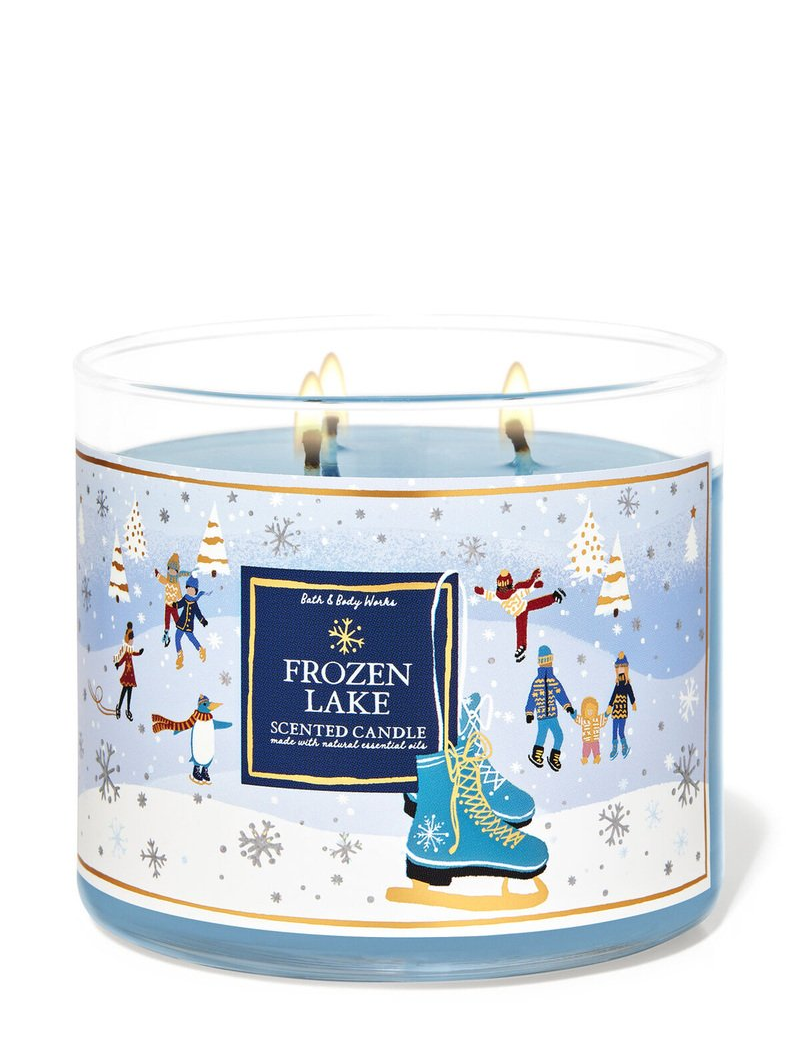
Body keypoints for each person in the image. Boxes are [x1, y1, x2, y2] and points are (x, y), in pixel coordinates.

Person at [475, 568, 566, 662]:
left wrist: (534, 586)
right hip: (518, 613)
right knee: (521, 629)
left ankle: (554, 596)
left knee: (536, 605)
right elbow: (489, 595)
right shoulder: (498, 597)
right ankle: (521, 647)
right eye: (501, 587)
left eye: (505, 586)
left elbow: (526, 590)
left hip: (524, 606)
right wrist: (482, 592)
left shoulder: (516, 592)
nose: (504, 589)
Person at [525, 645, 576, 771]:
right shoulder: (537, 682)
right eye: (544, 661)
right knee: (541, 737)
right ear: (540, 662)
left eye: (548, 660)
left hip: (552, 715)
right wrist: (529, 712)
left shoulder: (553, 680)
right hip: (542, 716)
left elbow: (560, 694)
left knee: (559, 736)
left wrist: (567, 706)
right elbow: (532, 698)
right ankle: (536, 756)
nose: (547, 663)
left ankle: (554, 757)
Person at [604, 652, 637, 759]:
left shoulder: (627, 684)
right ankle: (614, 748)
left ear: (626, 669)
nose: (620, 670)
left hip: (622, 710)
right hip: (615, 710)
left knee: (621, 731)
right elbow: (613, 696)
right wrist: (610, 706)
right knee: (614, 730)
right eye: (618, 668)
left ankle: (624, 745)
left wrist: (633, 702)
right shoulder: (617, 684)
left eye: (622, 667)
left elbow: (630, 693)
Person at [154, 553, 190, 647]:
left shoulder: (176, 583)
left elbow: (179, 593)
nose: (172, 571)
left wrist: (182, 601)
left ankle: (182, 627)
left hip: (174, 605)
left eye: (174, 570)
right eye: (170, 569)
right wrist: (157, 574)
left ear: (177, 571)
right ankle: (166, 632)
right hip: (167, 604)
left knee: (176, 618)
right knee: (167, 619)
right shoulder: (167, 581)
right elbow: (162, 579)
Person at [175, 575, 209, 670]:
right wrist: (174, 604)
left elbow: (198, 613)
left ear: (195, 591)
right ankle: (180, 656)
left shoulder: (194, 603)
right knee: (177, 638)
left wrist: (202, 620)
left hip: (188, 625)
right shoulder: (185, 598)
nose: (190, 590)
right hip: (181, 623)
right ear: (186, 588)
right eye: (189, 588)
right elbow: (180, 604)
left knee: (191, 638)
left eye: (192, 589)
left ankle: (201, 650)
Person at [114, 622, 143, 721]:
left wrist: (139, 653)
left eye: (132, 639)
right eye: (131, 639)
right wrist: (118, 664)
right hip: (127, 675)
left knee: (129, 692)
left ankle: (128, 709)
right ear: (128, 639)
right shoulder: (127, 651)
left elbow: (134, 653)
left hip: (130, 675)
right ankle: (119, 707)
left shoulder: (130, 650)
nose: (132, 640)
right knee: (124, 692)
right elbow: (122, 659)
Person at [575, 696, 607, 765]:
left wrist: (606, 714)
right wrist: (574, 716)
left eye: (592, 710)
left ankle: (597, 757)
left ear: (595, 710)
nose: (590, 712)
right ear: (584, 710)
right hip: (586, 740)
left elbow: (603, 718)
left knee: (596, 749)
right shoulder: (584, 720)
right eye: (588, 710)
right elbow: (578, 719)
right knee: (586, 750)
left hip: (595, 740)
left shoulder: (597, 719)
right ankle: (585, 758)